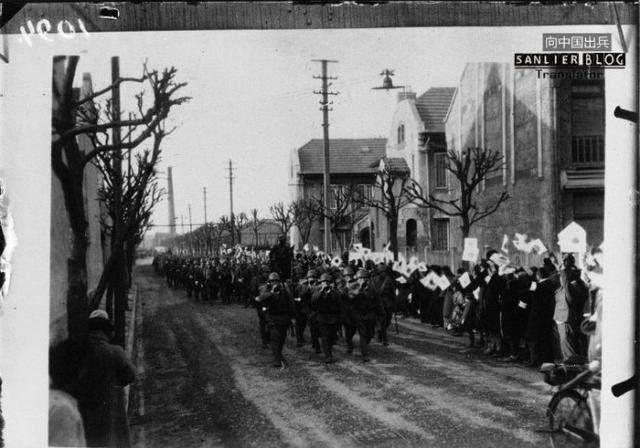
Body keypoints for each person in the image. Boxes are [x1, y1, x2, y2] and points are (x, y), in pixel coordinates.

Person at [75, 310, 136, 448]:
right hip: (110, 410)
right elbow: (131, 374)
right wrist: (116, 383)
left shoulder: (78, 353)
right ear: (106, 330)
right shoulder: (115, 352)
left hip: (85, 412)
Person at [257, 272, 295, 368]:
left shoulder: (285, 289)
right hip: (272, 318)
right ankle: (276, 359)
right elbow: (259, 298)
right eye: (272, 281)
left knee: (282, 338)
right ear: (269, 282)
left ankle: (279, 354)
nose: (275, 283)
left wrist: (293, 317)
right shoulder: (265, 289)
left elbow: (290, 302)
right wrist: (271, 293)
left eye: (276, 281)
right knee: (275, 339)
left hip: (284, 318)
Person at [350, 269, 383, 362]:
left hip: (370, 314)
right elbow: (350, 299)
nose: (363, 280)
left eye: (365, 278)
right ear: (357, 279)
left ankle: (363, 346)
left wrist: (380, 314)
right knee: (363, 334)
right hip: (358, 314)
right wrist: (358, 289)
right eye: (361, 278)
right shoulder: (353, 287)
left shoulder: (372, 288)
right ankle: (365, 354)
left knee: (370, 333)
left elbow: (378, 302)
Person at [311, 273, 342, 363]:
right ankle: (328, 356)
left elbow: (339, 302)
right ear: (321, 283)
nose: (326, 284)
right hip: (321, 317)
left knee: (332, 337)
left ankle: (329, 352)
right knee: (325, 337)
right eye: (324, 282)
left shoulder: (334, 291)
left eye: (328, 282)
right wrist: (321, 292)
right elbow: (313, 300)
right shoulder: (317, 290)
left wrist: (331, 292)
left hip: (332, 317)